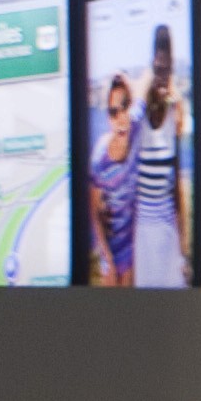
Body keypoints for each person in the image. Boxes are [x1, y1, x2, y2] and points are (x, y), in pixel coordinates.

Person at [127, 26, 189, 284]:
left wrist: (183, 252)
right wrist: (142, 90)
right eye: (158, 69)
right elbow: (127, 133)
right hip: (141, 233)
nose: (163, 76)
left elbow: (176, 186)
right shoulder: (139, 114)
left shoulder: (176, 111)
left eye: (167, 70)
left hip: (167, 232)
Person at [82, 71, 136, 285]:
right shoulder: (100, 158)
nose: (120, 117)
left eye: (125, 107)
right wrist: (107, 259)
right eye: (114, 111)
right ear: (108, 117)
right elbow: (93, 210)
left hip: (134, 248)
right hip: (110, 249)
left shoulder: (138, 141)